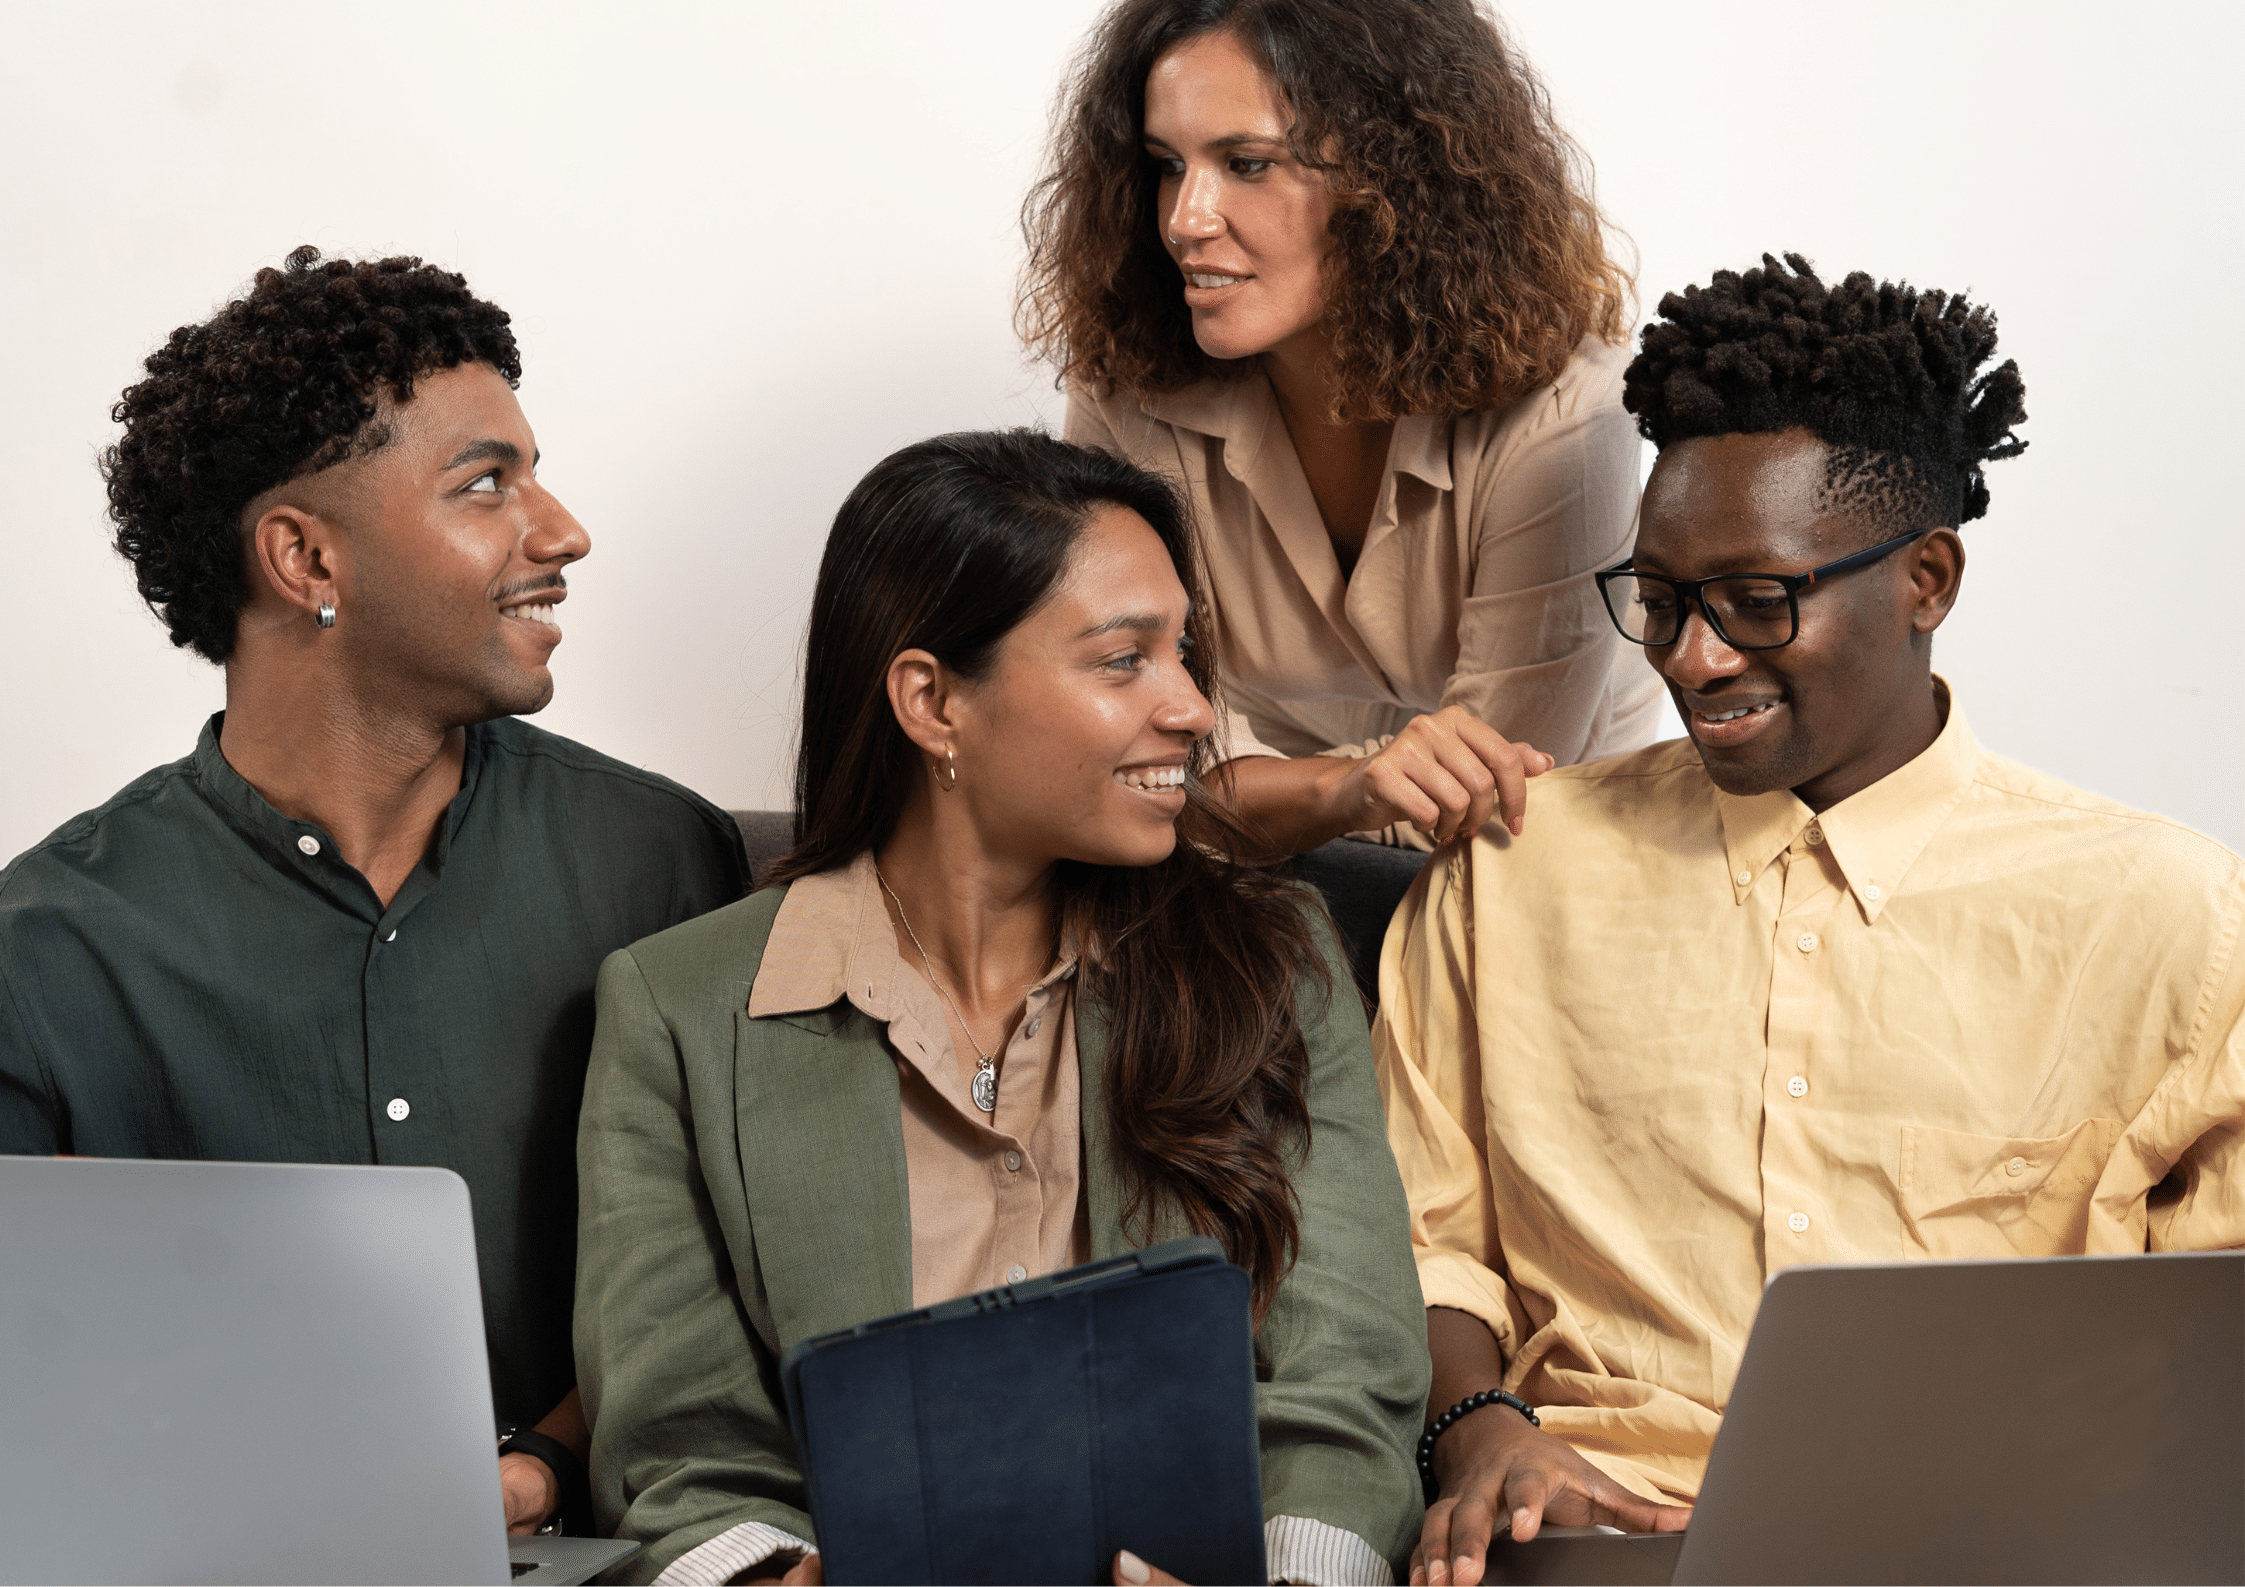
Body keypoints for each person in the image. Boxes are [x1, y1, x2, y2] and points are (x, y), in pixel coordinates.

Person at [1371, 255, 2245, 1586]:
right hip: (1593, 1536)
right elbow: (1419, 1226)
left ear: (1927, 581)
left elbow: (2203, 1336)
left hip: (1993, 1552)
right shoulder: (1507, 872)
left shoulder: (2165, 914)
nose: (1693, 655)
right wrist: (1478, 1428)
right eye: (1659, 600)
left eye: (1756, 599)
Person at [574, 430, 1429, 1586]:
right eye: (1122, 660)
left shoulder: (1275, 963)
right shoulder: (678, 1012)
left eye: (1185, 653)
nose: (1188, 708)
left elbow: (1348, 1382)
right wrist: (765, 1579)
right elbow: (678, 1452)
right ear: (932, 702)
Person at [0, 247, 748, 1534]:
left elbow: (744, 1259)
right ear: (305, 559)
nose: (561, 530)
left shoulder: (664, 861)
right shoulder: (48, 953)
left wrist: (537, 1469)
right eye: (484, 484)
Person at [1019, 0, 1662, 982]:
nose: (1185, 219)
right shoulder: (1127, 390)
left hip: (1551, 885)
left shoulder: (1569, 425)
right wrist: (1347, 788)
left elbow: (1494, 795)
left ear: (1393, 179)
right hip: (1254, 871)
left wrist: (1250, 792)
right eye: (1165, 165)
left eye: (1246, 163)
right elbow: (1130, 760)